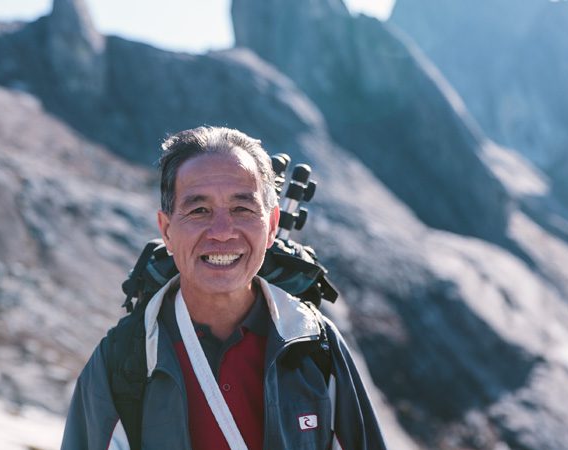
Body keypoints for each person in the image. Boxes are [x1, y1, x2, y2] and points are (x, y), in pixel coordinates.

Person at [61, 126, 387, 449]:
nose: (221, 232)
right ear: (167, 230)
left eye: (241, 208)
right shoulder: (122, 361)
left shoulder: (316, 347)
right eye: (199, 210)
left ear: (272, 225)